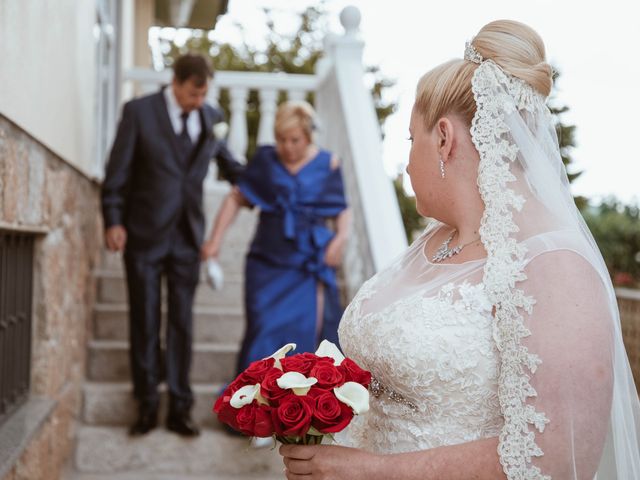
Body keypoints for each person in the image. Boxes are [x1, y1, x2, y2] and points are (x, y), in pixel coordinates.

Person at [279, 20, 640, 479]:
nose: (408, 162)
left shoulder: (555, 267)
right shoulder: (432, 241)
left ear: (445, 139)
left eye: (413, 140)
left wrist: (369, 470)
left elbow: (558, 459)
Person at [101, 53, 243, 437]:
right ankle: (146, 404)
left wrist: (270, 170)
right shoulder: (139, 112)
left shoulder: (211, 118)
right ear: (176, 83)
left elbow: (232, 166)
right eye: (194, 94)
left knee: (182, 323)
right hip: (143, 234)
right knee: (144, 320)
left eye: (203, 94)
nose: (199, 102)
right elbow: (118, 171)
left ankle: (180, 407)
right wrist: (113, 219)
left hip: (186, 238)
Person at [201, 100, 350, 376]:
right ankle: (251, 411)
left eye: (295, 140)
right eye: (281, 139)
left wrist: (339, 239)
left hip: (305, 265)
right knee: (262, 329)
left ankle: (293, 411)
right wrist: (214, 242)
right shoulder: (266, 160)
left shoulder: (327, 163)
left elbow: (342, 209)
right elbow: (236, 198)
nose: (288, 147)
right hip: (265, 262)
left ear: (308, 136)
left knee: (302, 336)